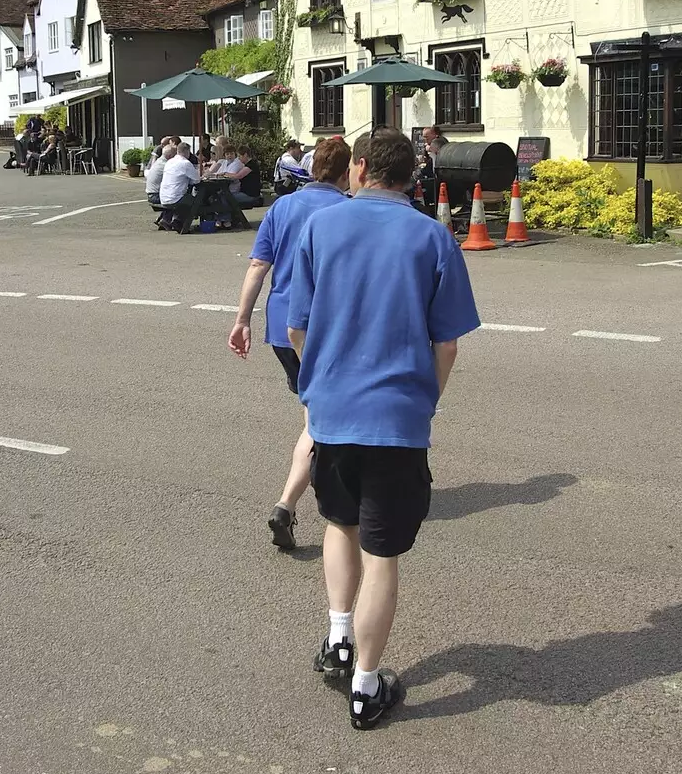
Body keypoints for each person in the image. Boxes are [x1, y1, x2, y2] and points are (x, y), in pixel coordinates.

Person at [283, 127, 480, 730]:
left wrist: (318, 386)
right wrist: (427, 399)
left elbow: (297, 327)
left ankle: (338, 636)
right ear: (411, 177)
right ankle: (367, 685)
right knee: (383, 554)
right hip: (397, 417)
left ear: (361, 169)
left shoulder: (320, 227)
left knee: (338, 526)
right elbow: (446, 342)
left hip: (333, 412)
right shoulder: (433, 236)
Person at [229, 137, 352, 549]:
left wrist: (242, 319)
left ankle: (310, 491)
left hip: (282, 323)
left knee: (315, 409)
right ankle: (288, 501)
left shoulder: (282, 207)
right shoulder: (347, 210)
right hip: (324, 325)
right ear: (347, 170)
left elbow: (258, 265)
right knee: (317, 419)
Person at [158, 140, 201, 229]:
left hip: (163, 197)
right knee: (194, 201)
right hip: (175, 199)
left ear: (177, 151)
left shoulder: (169, 162)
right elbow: (197, 180)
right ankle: (179, 222)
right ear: (187, 152)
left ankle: (167, 220)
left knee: (182, 195)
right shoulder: (186, 163)